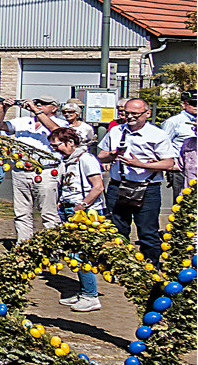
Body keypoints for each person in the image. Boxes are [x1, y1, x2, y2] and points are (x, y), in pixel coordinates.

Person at [95, 97, 178, 263]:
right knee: (117, 229)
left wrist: (140, 164)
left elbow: (169, 163)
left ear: (147, 114)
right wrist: (112, 155)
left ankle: (150, 267)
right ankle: (120, 265)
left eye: (135, 114)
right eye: (127, 113)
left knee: (148, 231)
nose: (130, 117)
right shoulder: (117, 131)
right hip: (118, 186)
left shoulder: (157, 134)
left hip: (147, 187)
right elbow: (101, 156)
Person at [48, 126, 107, 312]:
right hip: (68, 208)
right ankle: (84, 291)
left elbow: (98, 187)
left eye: (57, 145)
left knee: (80, 254)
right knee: (72, 253)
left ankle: (91, 296)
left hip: (83, 212)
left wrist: (82, 205)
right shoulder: (67, 160)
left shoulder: (86, 159)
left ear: (71, 143)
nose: (54, 149)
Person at [7, 98, 65, 245]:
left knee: (48, 213)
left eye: (43, 104)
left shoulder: (61, 123)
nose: (39, 105)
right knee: (22, 213)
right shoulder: (22, 121)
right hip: (21, 170)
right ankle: (24, 246)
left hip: (46, 171)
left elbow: (57, 132)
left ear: (54, 108)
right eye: (37, 102)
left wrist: (36, 111)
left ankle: (52, 248)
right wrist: (4, 108)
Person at [161, 91, 197, 188]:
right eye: (193, 104)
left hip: (195, 166)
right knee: (181, 199)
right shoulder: (173, 122)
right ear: (183, 104)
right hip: (180, 168)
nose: (196, 106)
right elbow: (164, 144)